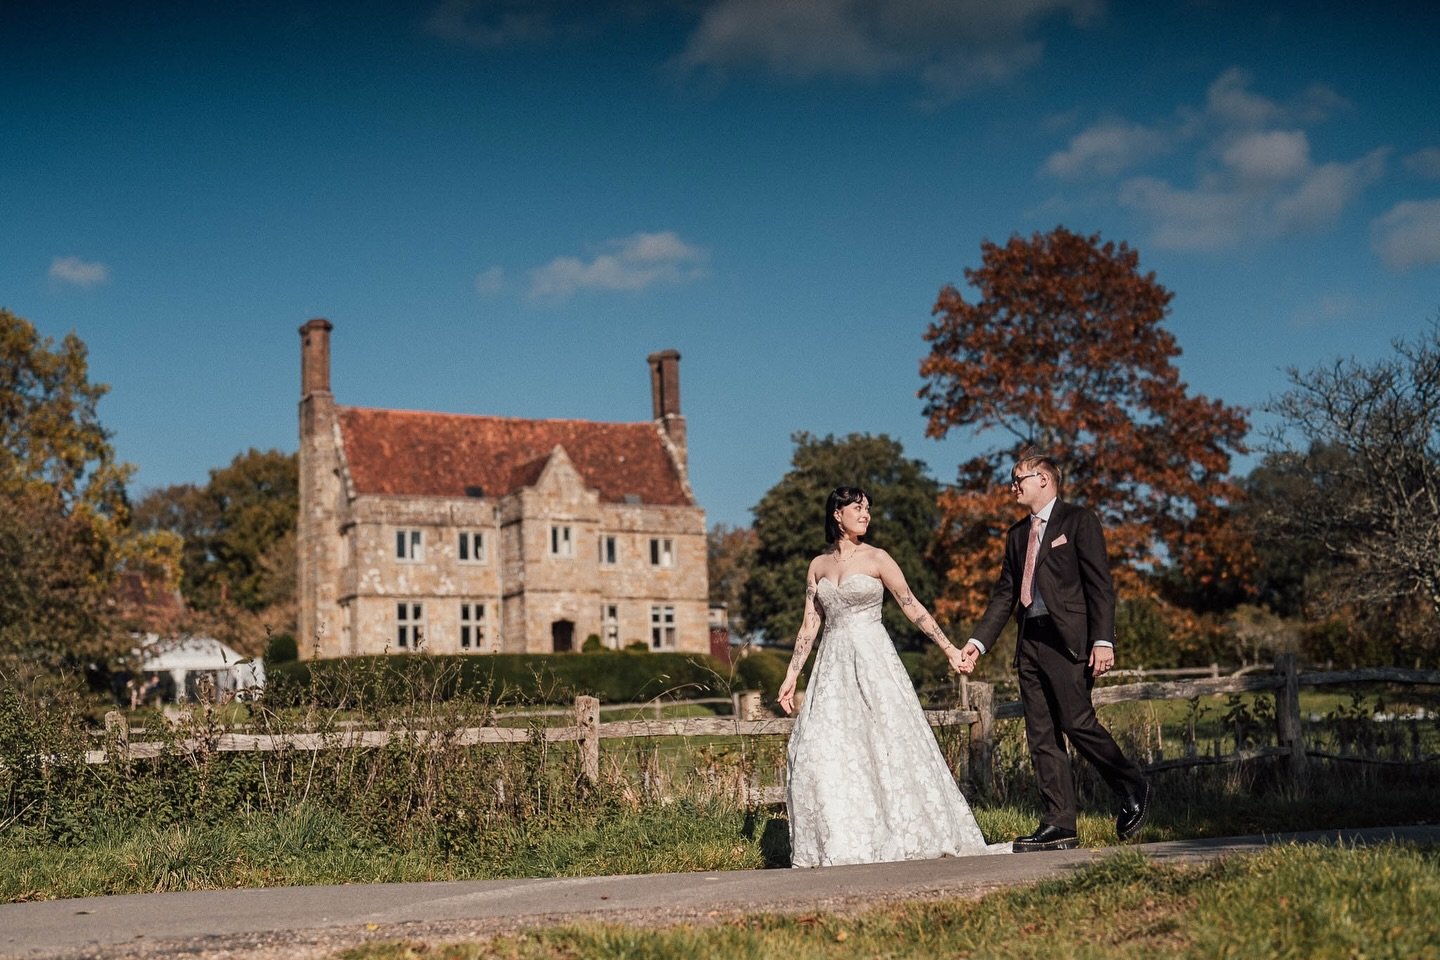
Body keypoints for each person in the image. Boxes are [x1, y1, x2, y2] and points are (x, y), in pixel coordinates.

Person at [778, 486, 1007, 867]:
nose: (865, 515)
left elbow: (911, 606)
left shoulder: (878, 558)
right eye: (857, 508)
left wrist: (950, 649)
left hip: (874, 660)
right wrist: (791, 677)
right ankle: (843, 840)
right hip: (832, 667)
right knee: (822, 748)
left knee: (886, 741)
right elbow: (809, 626)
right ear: (838, 514)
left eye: (868, 509)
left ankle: (902, 829)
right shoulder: (817, 566)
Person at [955, 455, 1151, 852]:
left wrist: (1103, 640)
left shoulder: (1079, 520)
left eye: (1018, 480)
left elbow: (1100, 584)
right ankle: (1060, 823)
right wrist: (977, 643)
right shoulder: (1015, 535)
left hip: (1070, 640)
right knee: (1041, 734)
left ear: (1042, 478)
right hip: (1030, 641)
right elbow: (1006, 595)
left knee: (1077, 723)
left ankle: (1132, 783)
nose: (1013, 488)